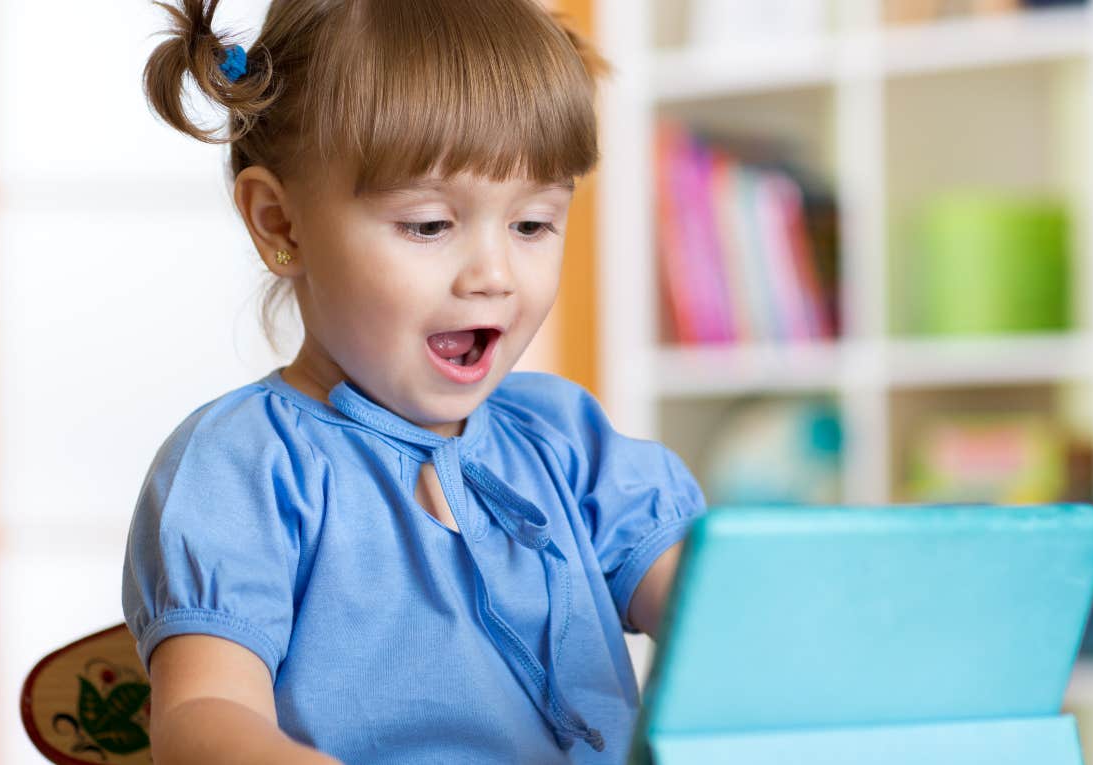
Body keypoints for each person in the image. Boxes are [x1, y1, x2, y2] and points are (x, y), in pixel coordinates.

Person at [122, 1, 708, 762]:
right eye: (430, 225)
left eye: (532, 224)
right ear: (280, 223)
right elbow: (201, 713)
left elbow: (726, 620)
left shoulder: (568, 442)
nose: (494, 274)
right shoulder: (246, 466)